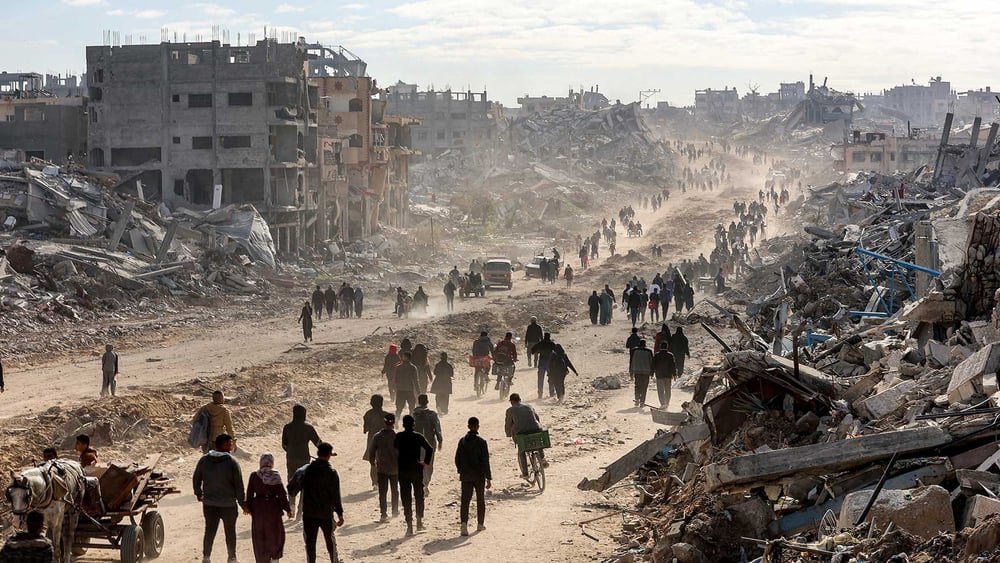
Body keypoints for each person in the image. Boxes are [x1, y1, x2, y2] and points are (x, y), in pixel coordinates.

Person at [193, 433, 246, 563]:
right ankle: (232, 558)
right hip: (228, 505)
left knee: (209, 531)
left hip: (209, 504)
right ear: (224, 445)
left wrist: (199, 493)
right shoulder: (232, 462)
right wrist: (243, 504)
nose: (232, 446)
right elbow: (239, 486)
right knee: (230, 532)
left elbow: (196, 478)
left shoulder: (204, 460)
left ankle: (206, 557)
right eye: (230, 444)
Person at [300, 443, 344, 563]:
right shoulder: (332, 472)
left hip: (309, 513)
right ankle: (334, 561)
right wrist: (340, 514)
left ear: (318, 454)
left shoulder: (306, 470)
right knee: (330, 540)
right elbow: (336, 496)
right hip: (326, 513)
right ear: (329, 456)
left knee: (310, 543)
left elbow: (293, 488)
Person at [246, 453, 291, 563]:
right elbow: (282, 495)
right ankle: (275, 558)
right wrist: (288, 509)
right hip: (273, 509)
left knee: (260, 536)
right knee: (275, 535)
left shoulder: (254, 476)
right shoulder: (275, 476)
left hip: (258, 510)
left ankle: (262, 559)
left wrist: (248, 508)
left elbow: (249, 494)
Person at [394, 415, 433, 536]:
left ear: (403, 425)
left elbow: (394, 449)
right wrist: (425, 463)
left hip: (403, 470)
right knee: (419, 496)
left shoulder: (399, 436)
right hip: (416, 469)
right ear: (414, 424)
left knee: (406, 497)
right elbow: (429, 449)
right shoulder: (418, 436)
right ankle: (419, 522)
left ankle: (409, 525)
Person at [282, 404, 321, 520]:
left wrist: (291, 450)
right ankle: (300, 511)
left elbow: (284, 444)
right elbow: (318, 442)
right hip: (304, 459)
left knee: (291, 482)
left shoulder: (287, 427)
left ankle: (291, 507)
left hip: (291, 459)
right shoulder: (308, 428)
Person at [455, 416, 492, 536]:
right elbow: (485, 461)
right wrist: (488, 477)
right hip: (479, 475)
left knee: (465, 501)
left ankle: (463, 525)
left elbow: (457, 459)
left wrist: (461, 470)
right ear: (478, 427)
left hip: (466, 476)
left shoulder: (462, 441)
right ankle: (480, 524)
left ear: (468, 426)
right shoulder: (482, 442)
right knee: (480, 500)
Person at [504, 394, 548, 478]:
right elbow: (537, 418)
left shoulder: (510, 410)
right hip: (536, 429)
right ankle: (542, 458)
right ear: (520, 399)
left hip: (522, 433)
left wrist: (508, 434)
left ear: (511, 401)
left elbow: (508, 424)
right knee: (537, 440)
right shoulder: (529, 406)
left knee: (522, 450)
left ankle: (525, 473)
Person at [367, 414, 399, 523]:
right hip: (395, 468)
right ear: (393, 423)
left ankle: (383, 514)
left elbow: (371, 451)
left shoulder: (377, 436)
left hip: (382, 468)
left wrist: (372, 462)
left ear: (384, 423)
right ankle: (395, 511)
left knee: (383, 492)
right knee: (395, 490)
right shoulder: (397, 436)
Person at [412, 394, 443, 496]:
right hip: (430, 443)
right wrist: (440, 440)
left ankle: (421, 484)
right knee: (428, 464)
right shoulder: (432, 415)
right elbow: (437, 428)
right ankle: (425, 484)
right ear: (427, 402)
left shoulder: (414, 415)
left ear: (418, 402)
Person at [362, 395, 389, 490]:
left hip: (372, 440)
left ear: (371, 403)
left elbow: (365, 429)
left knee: (373, 462)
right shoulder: (386, 415)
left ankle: (375, 482)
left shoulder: (368, 414)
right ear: (382, 403)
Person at [530, 333, 557, 399]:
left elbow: (532, 351)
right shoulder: (552, 344)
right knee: (551, 377)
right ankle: (551, 392)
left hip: (541, 361)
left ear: (544, 337)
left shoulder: (540, 343)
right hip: (550, 362)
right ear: (549, 337)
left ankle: (540, 394)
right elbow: (557, 352)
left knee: (540, 378)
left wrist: (538, 351)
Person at [394, 351, 420, 418]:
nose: (402, 357)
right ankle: (411, 420)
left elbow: (396, 379)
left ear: (407, 358)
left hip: (400, 390)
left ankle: (397, 419)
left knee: (399, 408)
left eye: (403, 356)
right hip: (409, 390)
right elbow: (416, 380)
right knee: (412, 408)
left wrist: (395, 388)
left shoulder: (399, 367)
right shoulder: (413, 367)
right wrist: (418, 391)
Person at [629, 340, 654, 409]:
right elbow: (652, 362)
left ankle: (637, 399)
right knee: (644, 387)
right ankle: (642, 402)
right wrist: (652, 372)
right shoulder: (649, 351)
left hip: (637, 371)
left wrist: (631, 372)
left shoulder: (634, 351)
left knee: (637, 386)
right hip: (646, 372)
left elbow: (631, 362)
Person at [651, 343, 677, 408]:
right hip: (668, 375)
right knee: (668, 390)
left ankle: (663, 403)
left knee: (660, 390)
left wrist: (652, 373)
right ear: (667, 347)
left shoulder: (657, 355)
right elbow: (673, 366)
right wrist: (674, 374)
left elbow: (653, 364)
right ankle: (667, 402)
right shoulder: (670, 355)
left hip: (659, 375)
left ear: (660, 347)